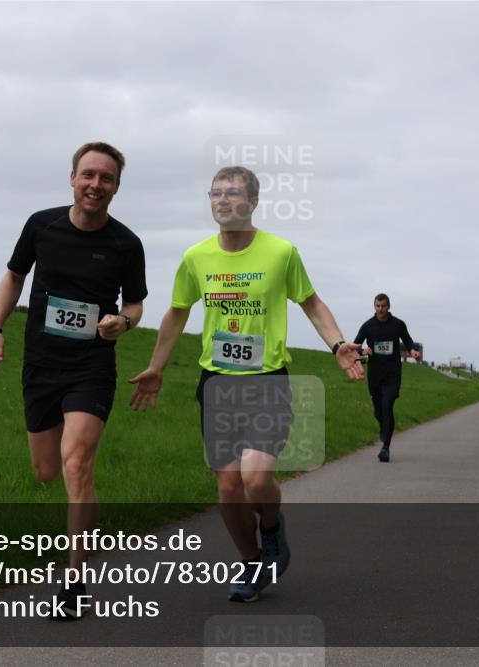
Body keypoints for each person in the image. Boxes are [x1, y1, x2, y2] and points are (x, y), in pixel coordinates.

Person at [129, 165, 363, 603]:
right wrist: (156, 366)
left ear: (253, 202)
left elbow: (311, 303)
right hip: (217, 383)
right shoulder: (196, 257)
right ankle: (251, 562)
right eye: (216, 193)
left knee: (255, 481)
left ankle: (271, 528)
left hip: (266, 381)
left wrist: (337, 344)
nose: (223, 200)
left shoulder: (281, 253)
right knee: (228, 489)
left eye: (233, 193)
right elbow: (177, 312)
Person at [0, 142, 147, 619]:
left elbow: (135, 303)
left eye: (106, 178)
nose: (96, 184)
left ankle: (74, 583)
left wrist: (123, 322)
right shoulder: (41, 225)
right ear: (73, 178)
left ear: (117, 187)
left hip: (91, 367)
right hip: (41, 365)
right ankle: (84, 530)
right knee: (47, 471)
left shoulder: (126, 244)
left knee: (77, 464)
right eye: (88, 175)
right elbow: (14, 277)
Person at [354, 294, 421, 462]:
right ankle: (384, 429)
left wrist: (412, 350)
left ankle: (386, 447)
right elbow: (356, 345)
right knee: (378, 411)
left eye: (383, 306)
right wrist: (363, 351)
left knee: (387, 405)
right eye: (377, 306)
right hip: (375, 373)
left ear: (388, 306)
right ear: (374, 307)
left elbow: (407, 340)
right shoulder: (368, 326)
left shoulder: (398, 324)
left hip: (393, 372)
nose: (380, 309)